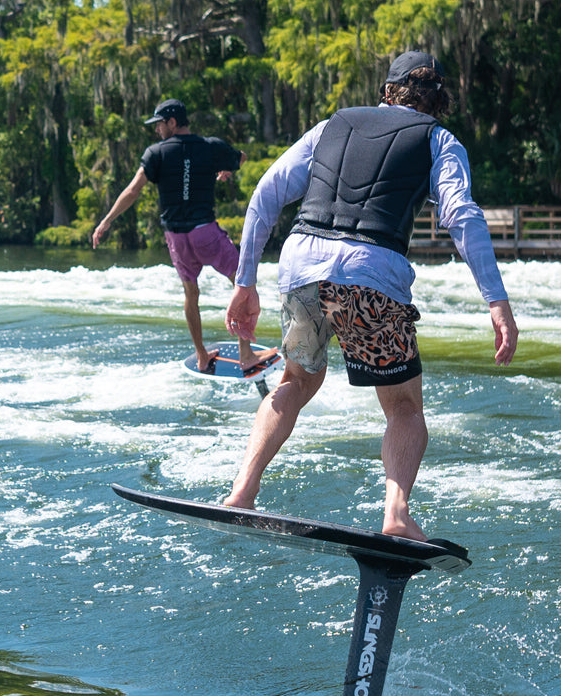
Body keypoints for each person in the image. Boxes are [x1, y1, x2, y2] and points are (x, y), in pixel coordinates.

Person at [224, 51, 518, 540]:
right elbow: (461, 214)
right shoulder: (439, 140)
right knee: (403, 407)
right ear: (439, 101)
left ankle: (242, 490)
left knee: (295, 380)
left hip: (302, 264)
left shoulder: (330, 126)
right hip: (370, 275)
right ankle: (396, 515)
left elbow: (267, 192)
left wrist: (244, 281)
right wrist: (496, 300)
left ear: (386, 92)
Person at [92, 98, 246, 372]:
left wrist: (106, 222)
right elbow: (240, 158)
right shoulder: (210, 146)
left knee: (191, 293)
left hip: (176, 238)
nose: (156, 130)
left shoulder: (156, 153)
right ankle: (246, 354)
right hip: (205, 233)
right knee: (242, 282)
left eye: (159, 124)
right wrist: (225, 168)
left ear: (172, 123)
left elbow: (132, 190)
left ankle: (201, 355)